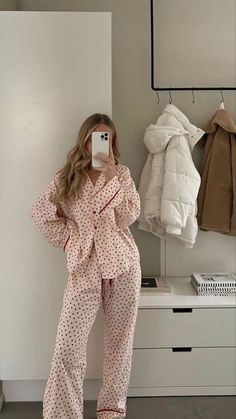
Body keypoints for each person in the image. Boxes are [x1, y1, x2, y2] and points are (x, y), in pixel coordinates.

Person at [29, 113, 142, 419]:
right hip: (85, 266)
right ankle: (64, 414)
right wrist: (70, 238)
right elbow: (41, 212)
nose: (100, 145)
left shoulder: (121, 175)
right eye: (96, 138)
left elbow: (129, 215)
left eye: (106, 138)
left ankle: (111, 410)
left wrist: (112, 176)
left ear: (113, 142)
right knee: (68, 346)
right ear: (85, 140)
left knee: (120, 343)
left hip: (122, 263)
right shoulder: (68, 177)